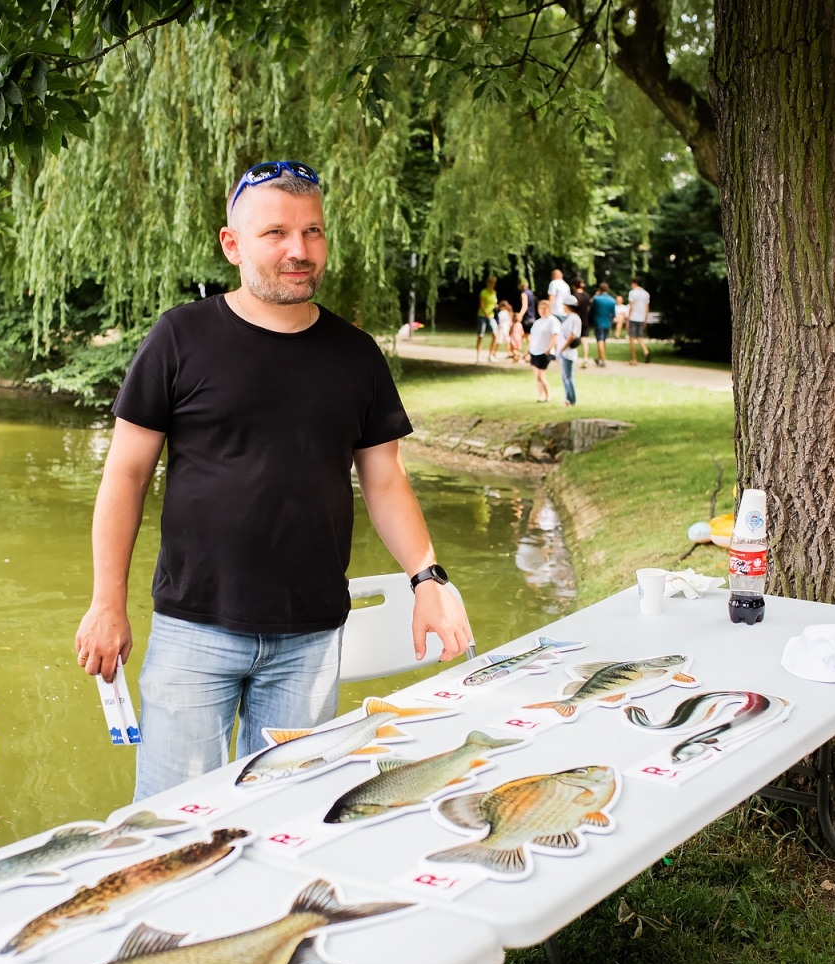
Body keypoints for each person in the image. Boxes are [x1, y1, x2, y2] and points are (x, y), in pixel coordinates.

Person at [75, 161, 473, 801]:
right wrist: (106, 602)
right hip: (194, 629)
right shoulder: (180, 337)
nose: (299, 250)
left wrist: (428, 578)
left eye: (312, 231)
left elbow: (386, 481)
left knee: (288, 812)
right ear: (232, 244)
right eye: (276, 233)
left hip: (310, 637)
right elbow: (125, 475)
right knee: (178, 817)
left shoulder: (356, 355)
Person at [525, 298, 560, 403]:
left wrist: (549, 348)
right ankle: (541, 396)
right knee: (537, 376)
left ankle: (548, 395)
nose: (543, 311)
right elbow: (533, 338)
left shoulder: (552, 321)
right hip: (534, 351)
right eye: (541, 308)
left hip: (544, 351)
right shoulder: (537, 322)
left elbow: (555, 336)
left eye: (545, 308)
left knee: (541, 376)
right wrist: (527, 351)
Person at [553, 303, 582, 406]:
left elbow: (572, 335)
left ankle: (571, 399)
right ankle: (568, 398)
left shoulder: (573, 318)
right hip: (565, 351)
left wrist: (562, 348)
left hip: (567, 351)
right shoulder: (570, 317)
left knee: (568, 376)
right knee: (565, 376)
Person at [590, 282, 618, 366]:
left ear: (600, 289)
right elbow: (613, 314)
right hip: (607, 323)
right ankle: (599, 358)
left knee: (600, 340)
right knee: (603, 341)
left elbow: (591, 309)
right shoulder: (612, 300)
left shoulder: (597, 299)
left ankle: (602, 360)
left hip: (598, 322)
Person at [474, 275, 498, 362]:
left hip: (491, 316)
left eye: (493, 283)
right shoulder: (483, 292)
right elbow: (482, 305)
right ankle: (478, 356)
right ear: (487, 283)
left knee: (495, 335)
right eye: (490, 283)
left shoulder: (494, 292)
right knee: (481, 336)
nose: (492, 284)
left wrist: (496, 306)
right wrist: (486, 313)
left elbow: (494, 303)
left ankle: (490, 355)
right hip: (482, 316)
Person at [570, 278, 593, 368]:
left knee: (573, 339)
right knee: (584, 340)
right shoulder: (587, 295)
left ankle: (572, 358)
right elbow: (588, 308)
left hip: (576, 321)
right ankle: (585, 359)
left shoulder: (574, 296)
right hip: (585, 320)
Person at [627, 278, 651, 364]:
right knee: (639, 337)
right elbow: (647, 308)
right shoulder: (646, 294)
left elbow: (631, 306)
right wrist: (645, 319)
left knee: (631, 338)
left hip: (633, 317)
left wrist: (628, 318)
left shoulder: (632, 293)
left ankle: (634, 359)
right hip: (641, 318)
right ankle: (646, 351)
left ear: (634, 283)